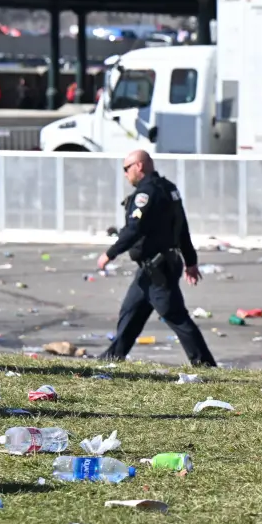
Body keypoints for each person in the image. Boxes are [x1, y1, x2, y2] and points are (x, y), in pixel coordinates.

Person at [96, 150, 217, 367]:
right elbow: (182, 228)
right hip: (152, 268)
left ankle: (205, 364)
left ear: (139, 166)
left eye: (126, 169)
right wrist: (190, 261)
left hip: (158, 269)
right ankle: (112, 358)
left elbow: (134, 229)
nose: (125, 174)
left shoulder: (146, 194)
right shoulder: (168, 188)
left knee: (176, 316)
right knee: (130, 313)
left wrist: (110, 253)